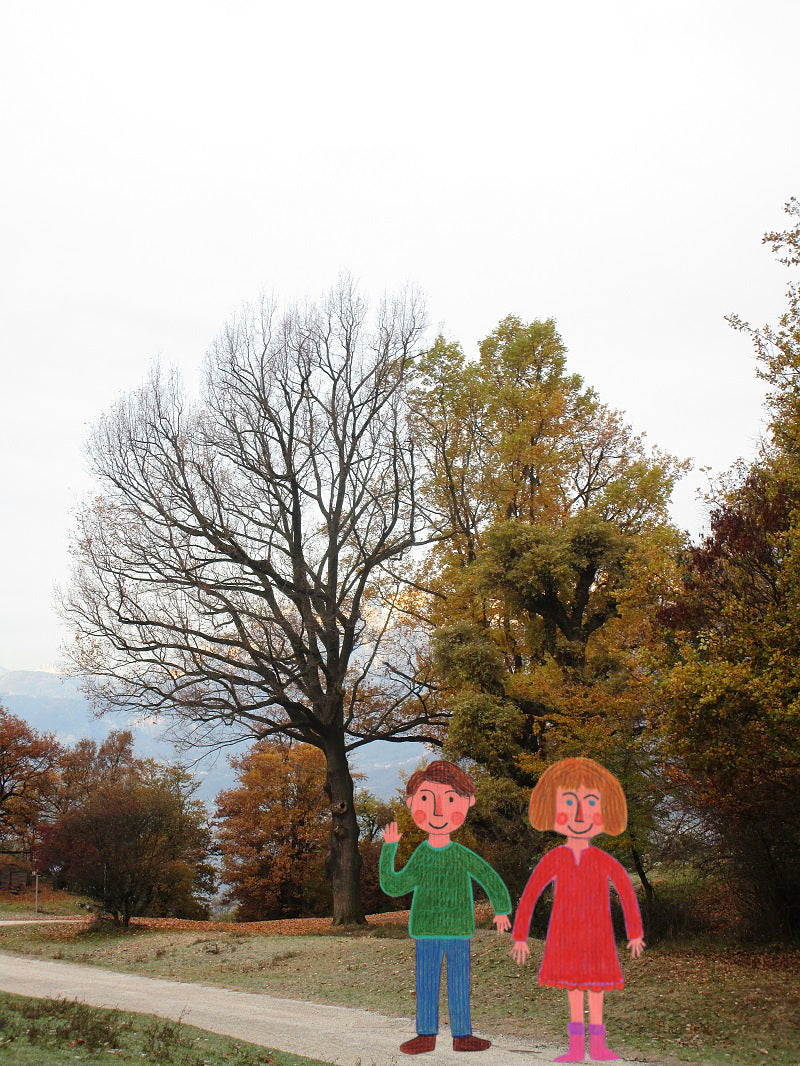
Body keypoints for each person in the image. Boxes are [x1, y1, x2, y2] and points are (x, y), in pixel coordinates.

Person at [510, 757, 645, 1062]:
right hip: (565, 937)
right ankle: (575, 1048)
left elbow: (626, 892)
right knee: (573, 989)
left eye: (591, 803)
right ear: (552, 809)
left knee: (596, 988)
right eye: (569, 802)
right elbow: (530, 895)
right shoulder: (555, 858)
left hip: (598, 938)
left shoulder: (604, 860)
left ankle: (597, 1046)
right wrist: (520, 936)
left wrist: (635, 933)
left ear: (605, 810)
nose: (580, 814)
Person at [380, 760, 512, 1055]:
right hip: (426, 931)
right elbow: (395, 886)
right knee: (426, 983)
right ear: (412, 802)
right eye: (426, 800)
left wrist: (501, 909)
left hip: (458, 930)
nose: (438, 811)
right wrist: (389, 848)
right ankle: (426, 1035)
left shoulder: (461, 855)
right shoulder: (422, 856)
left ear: (468, 803)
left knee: (458, 984)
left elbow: (488, 876)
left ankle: (462, 1035)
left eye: (450, 800)